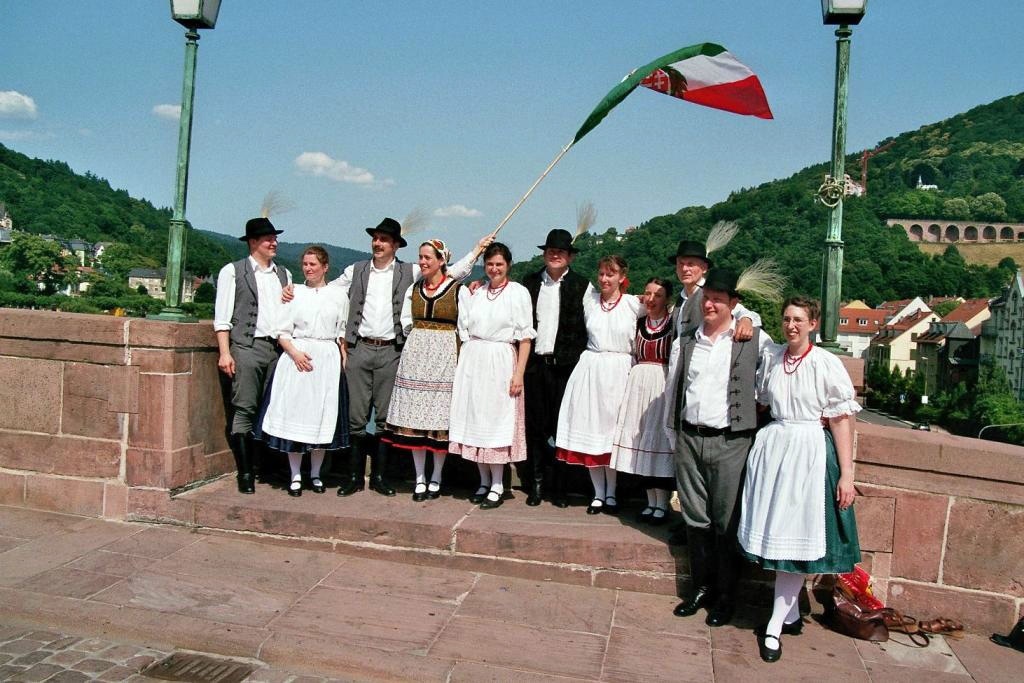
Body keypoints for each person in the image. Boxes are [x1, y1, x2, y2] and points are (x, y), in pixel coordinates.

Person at [737, 296, 861, 663]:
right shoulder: (773, 357)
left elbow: (840, 420)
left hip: (807, 453)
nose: (791, 325)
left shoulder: (825, 363)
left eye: (799, 320)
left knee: (794, 539)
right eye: (787, 319)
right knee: (775, 535)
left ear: (813, 324)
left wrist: (847, 475)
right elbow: (742, 317)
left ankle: (774, 626)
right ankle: (790, 614)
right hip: (773, 450)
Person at [328, 218, 491, 498]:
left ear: (394, 245)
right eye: (375, 238)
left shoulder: (411, 271)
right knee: (356, 416)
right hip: (360, 347)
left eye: (383, 239)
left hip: (392, 350)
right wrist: (297, 291)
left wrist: (477, 251)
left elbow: (451, 272)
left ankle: (379, 476)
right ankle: (354, 477)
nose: (377, 243)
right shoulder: (355, 270)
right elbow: (327, 291)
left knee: (383, 418)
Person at [667, 268, 772, 628]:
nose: (710, 304)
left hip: (730, 442)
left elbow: (776, 374)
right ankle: (701, 589)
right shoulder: (691, 340)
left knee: (727, 524)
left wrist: (745, 321)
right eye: (707, 298)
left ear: (734, 304)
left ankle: (727, 597)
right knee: (695, 520)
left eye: (719, 299)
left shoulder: (750, 338)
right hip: (690, 438)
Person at [253, 246, 349, 496]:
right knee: (296, 415)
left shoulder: (338, 295)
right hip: (297, 356)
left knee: (321, 416)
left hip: (326, 360)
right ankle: (295, 475)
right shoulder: (293, 292)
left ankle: (315, 474)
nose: (308, 268)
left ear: (325, 267)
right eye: (305, 264)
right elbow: (282, 331)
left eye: (313, 264)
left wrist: (342, 355)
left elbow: (342, 331)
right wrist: (294, 353)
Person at [383, 239, 474, 500]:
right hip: (417, 355)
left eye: (427, 258)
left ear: (441, 261)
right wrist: (419, 343)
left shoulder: (458, 290)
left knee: (439, 419)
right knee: (415, 419)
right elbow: (406, 321)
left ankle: (437, 476)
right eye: (420, 257)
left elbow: (465, 328)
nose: (422, 262)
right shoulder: (415, 288)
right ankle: (420, 476)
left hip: (445, 356)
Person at [449, 242, 535, 509]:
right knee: (475, 418)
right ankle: (483, 481)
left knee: (496, 421)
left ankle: (498, 483)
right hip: (473, 360)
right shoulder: (475, 292)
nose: (494, 269)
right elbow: (450, 279)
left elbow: (525, 337)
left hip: (500, 361)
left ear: (508, 265)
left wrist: (518, 373)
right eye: (489, 264)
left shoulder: (518, 293)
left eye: (499, 264)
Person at [555, 255, 641, 515]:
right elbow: (560, 279)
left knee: (612, 433)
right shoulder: (590, 300)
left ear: (621, 277)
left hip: (620, 372)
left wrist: (745, 316)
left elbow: (669, 308)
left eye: (610, 274)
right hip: (591, 370)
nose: (604, 279)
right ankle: (598, 493)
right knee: (591, 429)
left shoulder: (634, 304)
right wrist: (474, 285)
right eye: (601, 274)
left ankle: (612, 493)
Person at [214, 216, 292, 494]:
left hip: (276, 349)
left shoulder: (284, 274)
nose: (274, 242)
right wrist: (225, 352)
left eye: (274, 238)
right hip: (247, 347)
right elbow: (222, 318)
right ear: (253, 242)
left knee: (271, 408)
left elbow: (288, 314)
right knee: (245, 407)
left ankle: (267, 467)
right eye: (268, 238)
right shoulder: (233, 272)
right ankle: (245, 473)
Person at [520, 228, 590, 507]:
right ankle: (536, 484)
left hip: (566, 369)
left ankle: (560, 487)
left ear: (570, 257)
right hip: (536, 366)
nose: (555, 255)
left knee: (562, 430)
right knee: (536, 429)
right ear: (545, 253)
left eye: (561, 252)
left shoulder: (583, 286)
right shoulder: (529, 283)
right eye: (551, 251)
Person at [610, 277, 676, 525]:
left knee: (659, 443)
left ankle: (662, 503)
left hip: (661, 380)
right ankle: (650, 501)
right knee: (642, 442)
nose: (651, 299)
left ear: (667, 299)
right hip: (638, 383)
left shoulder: (673, 322)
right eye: (647, 294)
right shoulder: (638, 322)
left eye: (657, 295)